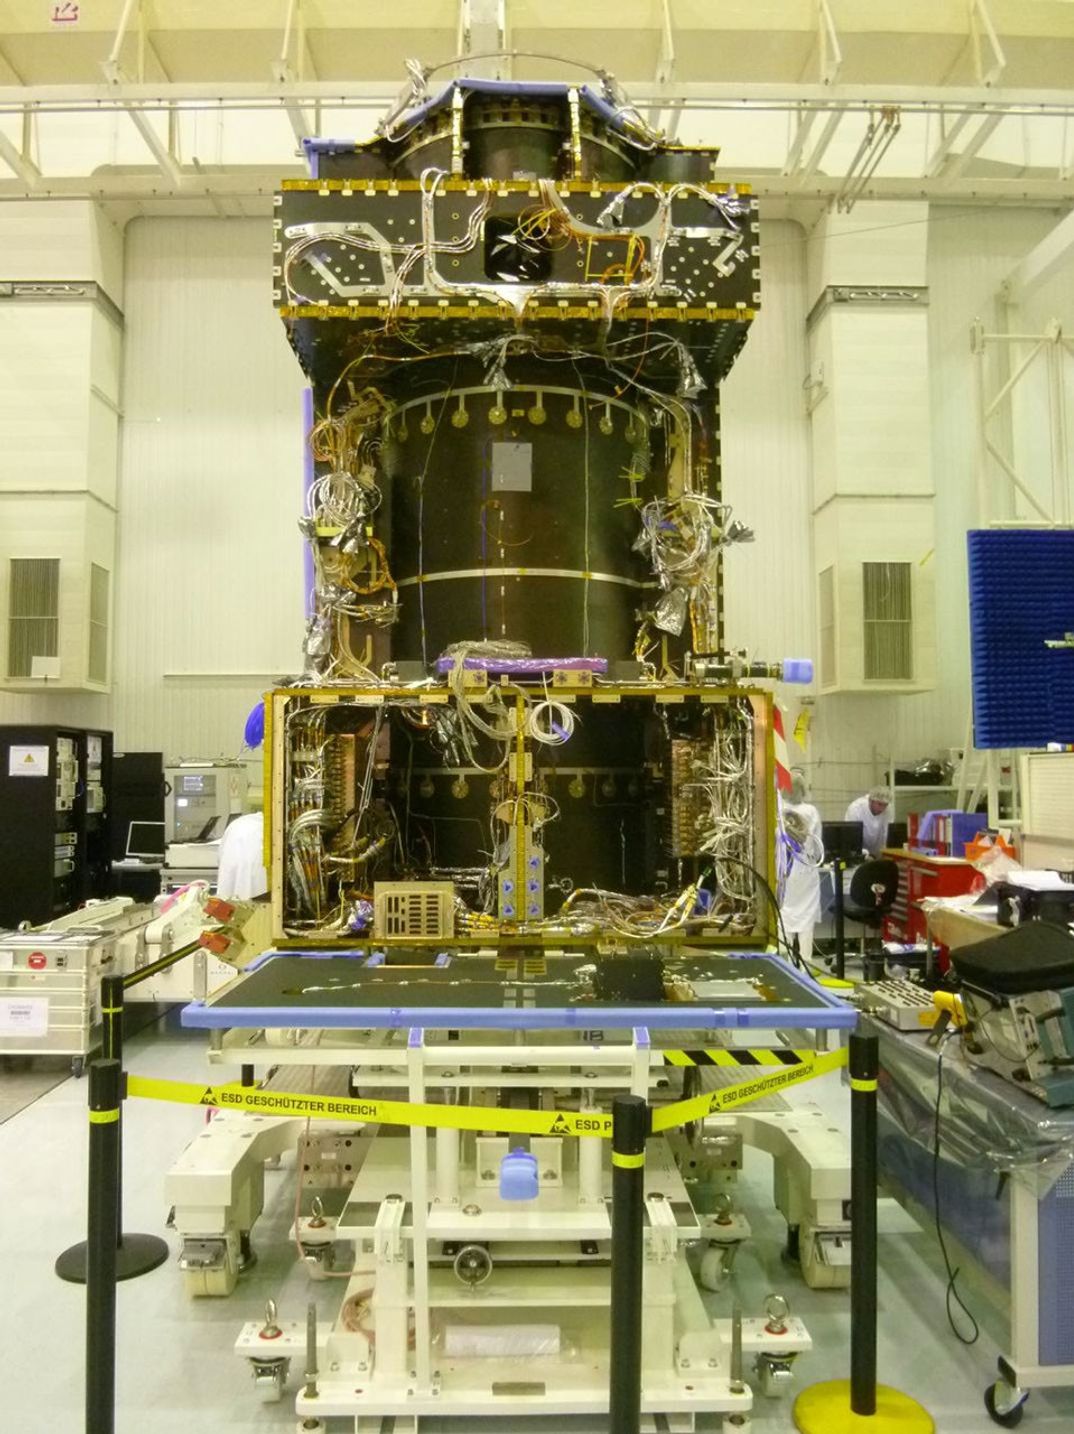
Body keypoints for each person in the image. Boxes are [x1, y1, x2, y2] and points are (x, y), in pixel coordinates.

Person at [780, 773, 824, 964]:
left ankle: (785, 961)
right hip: (806, 869)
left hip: (784, 868)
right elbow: (817, 845)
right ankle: (806, 962)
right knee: (806, 917)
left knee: (783, 915)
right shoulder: (811, 811)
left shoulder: (778, 808)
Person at [215, 810, 268, 900]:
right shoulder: (267, 829)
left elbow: (220, 859)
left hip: (229, 898)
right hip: (261, 898)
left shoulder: (237, 824)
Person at [845, 786, 892, 859]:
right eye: (879, 804)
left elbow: (887, 833)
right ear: (870, 801)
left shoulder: (888, 809)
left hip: (878, 852)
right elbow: (851, 837)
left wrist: (887, 853)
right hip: (859, 853)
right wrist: (863, 855)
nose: (882, 809)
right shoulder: (855, 808)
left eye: (885, 805)